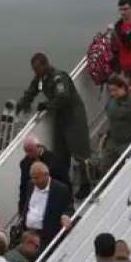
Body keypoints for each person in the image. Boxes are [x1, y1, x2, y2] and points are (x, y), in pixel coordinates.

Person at [17, 53, 93, 184]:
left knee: (80, 153)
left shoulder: (59, 78)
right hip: (60, 118)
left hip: (73, 117)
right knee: (60, 155)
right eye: (33, 69)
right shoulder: (40, 80)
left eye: (37, 68)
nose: (35, 72)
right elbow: (31, 92)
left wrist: (46, 105)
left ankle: (86, 183)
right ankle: (64, 184)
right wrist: (21, 104)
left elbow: (63, 97)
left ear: (45, 64)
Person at [101, 74, 131, 174]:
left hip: (129, 143)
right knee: (104, 167)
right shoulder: (111, 103)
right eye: (110, 91)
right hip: (114, 143)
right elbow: (111, 121)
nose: (112, 93)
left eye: (115, 90)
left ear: (123, 87)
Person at [21, 162, 74, 248]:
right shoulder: (30, 185)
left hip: (46, 237)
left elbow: (69, 207)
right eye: (32, 178)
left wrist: (66, 215)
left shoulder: (60, 189)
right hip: (28, 234)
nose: (34, 181)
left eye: (37, 178)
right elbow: (27, 204)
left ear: (46, 175)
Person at [18, 135, 70, 214]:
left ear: (39, 147)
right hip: (34, 201)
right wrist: (21, 209)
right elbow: (23, 187)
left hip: (51, 199)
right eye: (26, 151)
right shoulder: (24, 163)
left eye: (31, 150)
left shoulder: (55, 160)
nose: (29, 154)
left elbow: (64, 182)